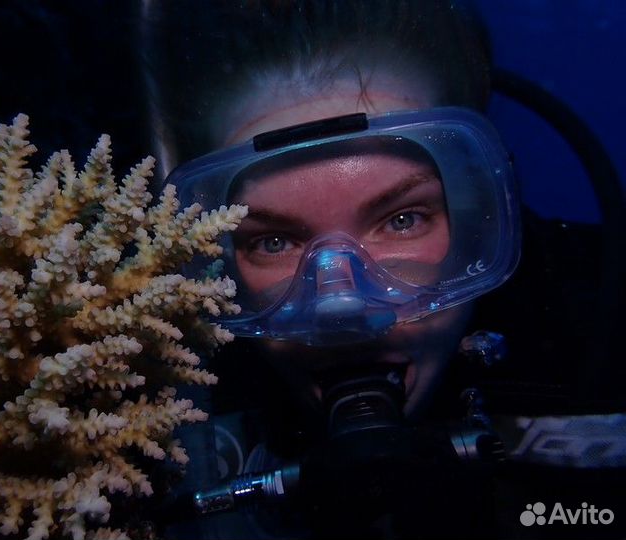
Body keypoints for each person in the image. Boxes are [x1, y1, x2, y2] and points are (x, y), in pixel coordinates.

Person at [140, 1, 625, 538]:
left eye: (403, 220)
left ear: (478, 216)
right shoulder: (164, 398)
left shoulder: (599, 324)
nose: (342, 306)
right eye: (273, 241)